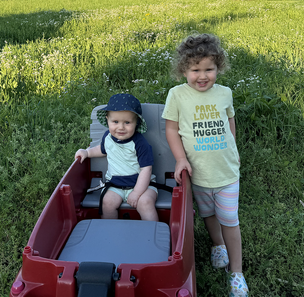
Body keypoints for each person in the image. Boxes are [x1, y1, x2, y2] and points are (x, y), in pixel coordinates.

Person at [162, 34, 249, 297]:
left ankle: (237, 273)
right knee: (208, 214)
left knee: (229, 219)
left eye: (209, 69)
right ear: (183, 70)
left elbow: (229, 121)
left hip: (226, 172)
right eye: (195, 69)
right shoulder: (177, 95)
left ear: (218, 68)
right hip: (197, 173)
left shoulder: (225, 93)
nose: (202, 76)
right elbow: (171, 129)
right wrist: (180, 158)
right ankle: (217, 245)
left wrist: (233, 147)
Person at [75, 93, 159, 222]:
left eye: (127, 122)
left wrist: (137, 193)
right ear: (107, 119)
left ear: (136, 122)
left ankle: (152, 234)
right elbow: (103, 150)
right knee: (107, 203)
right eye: (115, 122)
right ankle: (111, 231)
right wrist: (87, 153)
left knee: (145, 203)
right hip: (115, 185)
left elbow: (146, 169)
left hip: (143, 185)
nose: (121, 127)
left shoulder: (140, 143)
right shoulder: (107, 137)